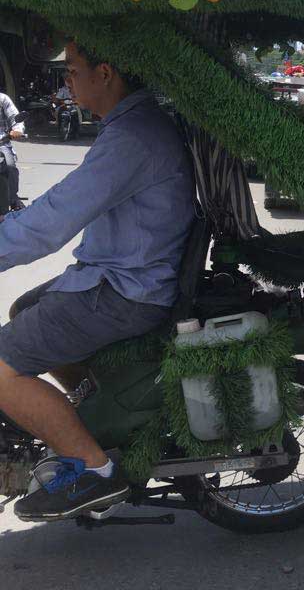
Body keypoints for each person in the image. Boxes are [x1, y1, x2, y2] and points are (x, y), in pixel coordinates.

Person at [0, 40, 195, 521]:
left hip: (124, 292)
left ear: (104, 73)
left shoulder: (132, 137)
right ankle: (89, 413)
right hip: (122, 278)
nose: (67, 80)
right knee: (24, 308)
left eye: (72, 70)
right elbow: (61, 202)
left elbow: (53, 221)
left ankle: (93, 470)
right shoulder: (132, 126)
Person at [0, 89, 26, 209]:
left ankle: (13, 198)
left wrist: (17, 130)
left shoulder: (2, 99)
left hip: (2, 143)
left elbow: (15, 117)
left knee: (10, 165)